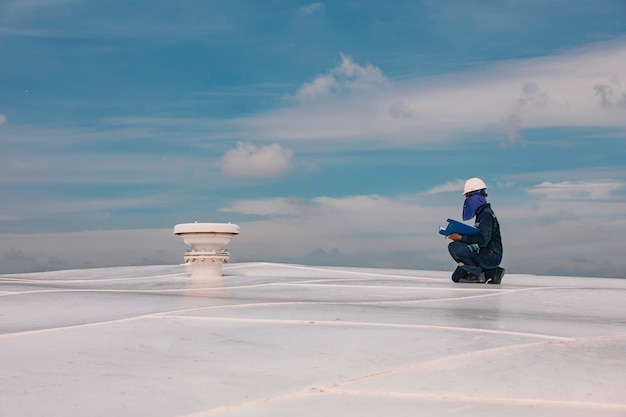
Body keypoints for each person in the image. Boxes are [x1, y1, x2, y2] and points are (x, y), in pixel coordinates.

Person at [447, 178, 505, 284]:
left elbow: (483, 241)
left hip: (490, 255)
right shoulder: (482, 214)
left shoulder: (486, 215)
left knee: (454, 247)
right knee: (457, 277)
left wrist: (461, 238)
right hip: (485, 254)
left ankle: (479, 274)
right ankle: (492, 272)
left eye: (468, 196)